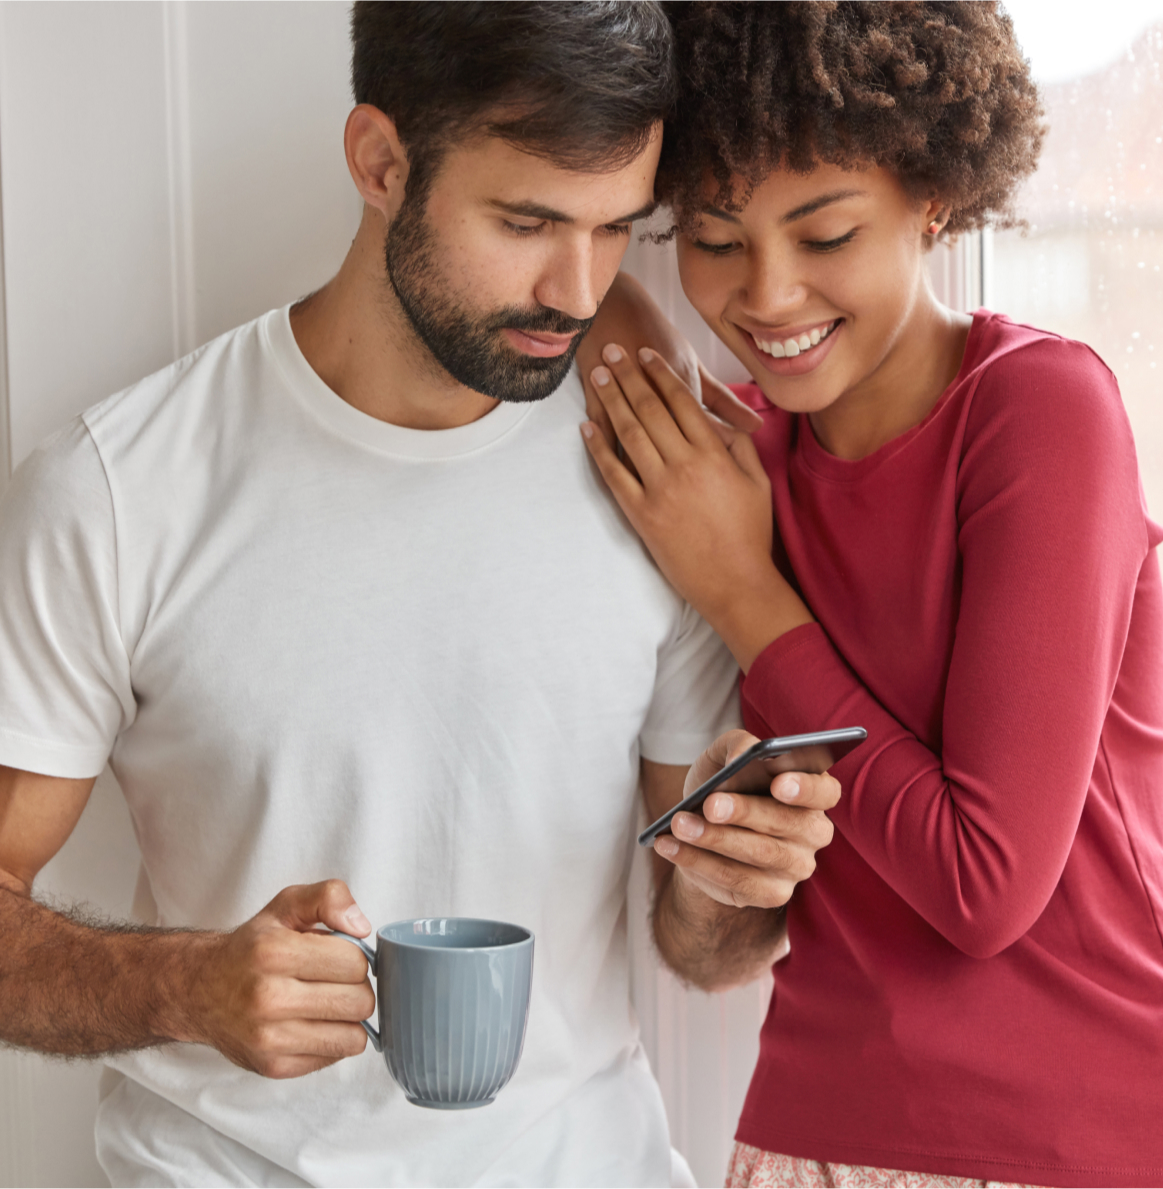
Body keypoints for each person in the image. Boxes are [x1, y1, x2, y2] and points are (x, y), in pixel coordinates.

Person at [0, 4, 842, 1186]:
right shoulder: (119, 488)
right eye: (527, 221)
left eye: (615, 229)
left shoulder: (665, 477)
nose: (577, 287)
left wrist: (733, 880)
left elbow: (701, 949)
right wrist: (181, 986)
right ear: (380, 163)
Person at [581, 3, 1163, 1187]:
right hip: (814, 1132)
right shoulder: (734, 469)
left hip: (1086, 1132)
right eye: (713, 237)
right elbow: (592, 311)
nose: (767, 295)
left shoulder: (1039, 414)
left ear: (933, 197)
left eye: (825, 233)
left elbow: (985, 884)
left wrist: (745, 593)